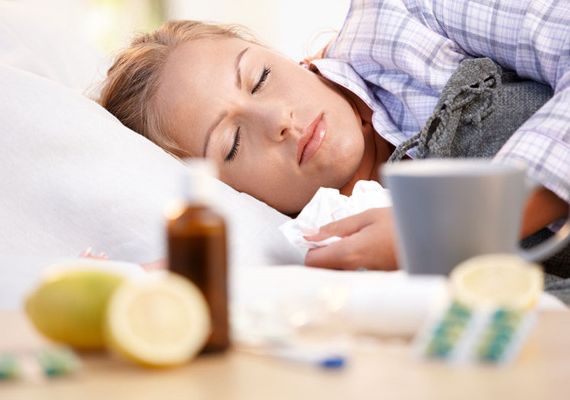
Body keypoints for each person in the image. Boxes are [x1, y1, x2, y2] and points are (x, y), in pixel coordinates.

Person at [98, 0, 570, 274]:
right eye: (232, 144)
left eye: (261, 78)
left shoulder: (401, 16)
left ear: (284, 57)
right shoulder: (304, 253)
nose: (278, 120)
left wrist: (445, 227)